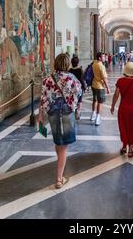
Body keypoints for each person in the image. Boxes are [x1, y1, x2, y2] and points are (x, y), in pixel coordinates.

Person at [38, 53, 82, 189]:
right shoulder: (72, 78)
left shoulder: (48, 79)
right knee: (63, 146)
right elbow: (79, 93)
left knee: (59, 141)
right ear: (67, 64)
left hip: (53, 112)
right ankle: (59, 178)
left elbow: (43, 98)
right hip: (67, 112)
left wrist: (40, 115)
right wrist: (76, 107)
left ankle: (60, 161)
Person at [111, 62, 133, 157]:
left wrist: (113, 105)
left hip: (123, 108)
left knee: (124, 127)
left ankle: (124, 147)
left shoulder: (120, 81)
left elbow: (116, 95)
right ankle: (130, 150)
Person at [90, 52, 111, 126]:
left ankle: (93, 114)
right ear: (99, 58)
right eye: (103, 57)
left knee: (94, 100)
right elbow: (104, 78)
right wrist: (108, 88)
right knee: (100, 102)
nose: (105, 58)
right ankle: (98, 118)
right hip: (100, 86)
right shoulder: (101, 66)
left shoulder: (94, 63)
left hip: (94, 84)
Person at [69, 56, 86, 120]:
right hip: (79, 88)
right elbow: (81, 80)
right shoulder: (79, 70)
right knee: (80, 100)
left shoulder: (70, 70)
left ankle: (74, 111)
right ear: (78, 63)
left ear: (71, 63)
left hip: (72, 88)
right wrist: (84, 87)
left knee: (73, 99)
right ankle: (78, 112)